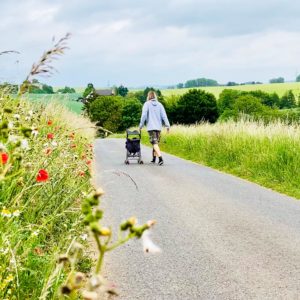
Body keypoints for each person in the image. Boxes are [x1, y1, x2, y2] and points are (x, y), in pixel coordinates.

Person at [139, 91, 170, 165]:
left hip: (151, 127)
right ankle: (153, 159)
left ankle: (160, 159)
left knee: (154, 143)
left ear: (148, 96)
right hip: (158, 127)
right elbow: (164, 116)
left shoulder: (146, 104)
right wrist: (167, 126)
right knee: (155, 143)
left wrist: (140, 125)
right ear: (155, 96)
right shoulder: (160, 105)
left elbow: (144, 116)